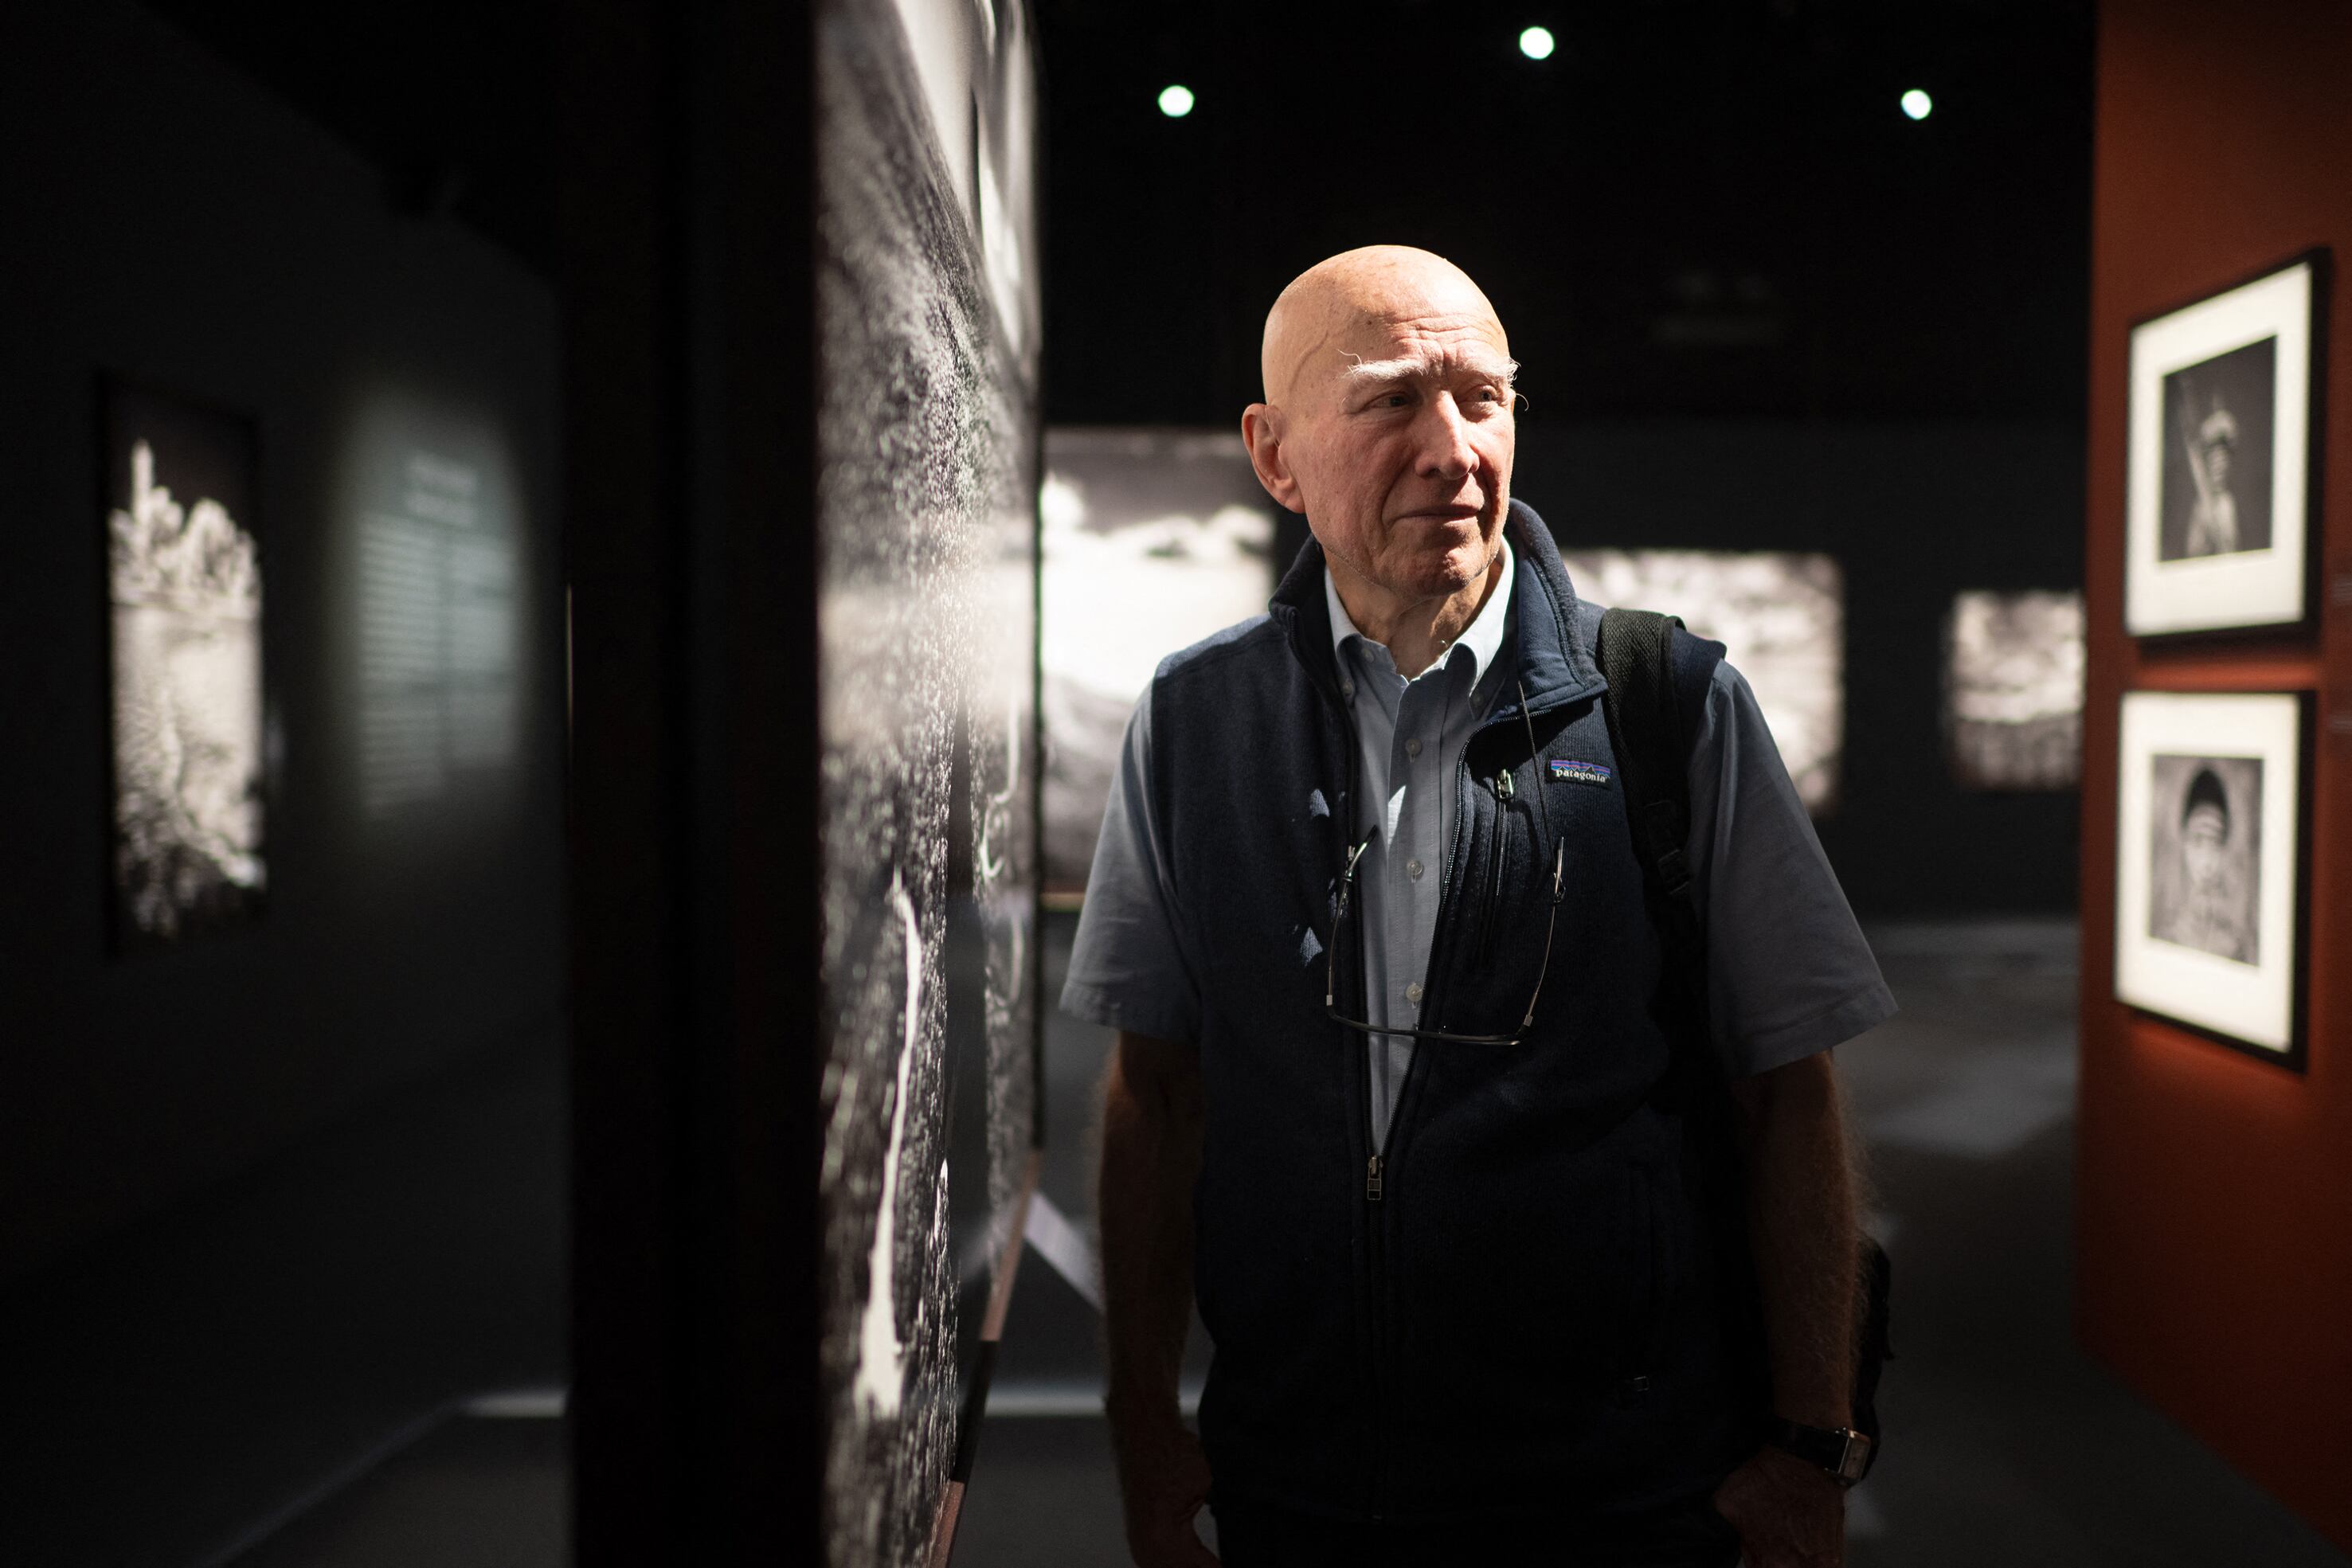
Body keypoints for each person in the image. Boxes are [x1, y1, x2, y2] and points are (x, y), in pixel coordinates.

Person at [1065, 245, 1896, 1567]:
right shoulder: (1195, 719)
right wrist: (1141, 1420)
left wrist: (1808, 1445)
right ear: (1274, 456)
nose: (1452, 449)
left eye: (1482, 397)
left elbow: (1787, 1092)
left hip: (1619, 1497)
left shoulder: (1667, 702)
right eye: (1391, 400)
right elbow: (1154, 1091)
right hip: (1295, 1487)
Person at [2162, 766, 2254, 964]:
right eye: (2198, 841)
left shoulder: (2234, 945)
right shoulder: (2168, 936)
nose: (2206, 861)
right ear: (2184, 844)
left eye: (2215, 843)